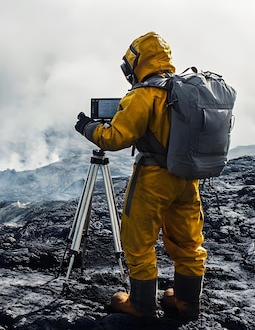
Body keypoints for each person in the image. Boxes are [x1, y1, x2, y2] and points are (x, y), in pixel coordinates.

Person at [74, 31, 206, 320]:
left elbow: (116, 137)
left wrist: (86, 127)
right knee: (188, 240)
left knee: (138, 240)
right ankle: (187, 302)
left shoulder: (144, 95)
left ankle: (142, 305)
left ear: (137, 63)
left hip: (154, 178)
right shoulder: (186, 91)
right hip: (187, 177)